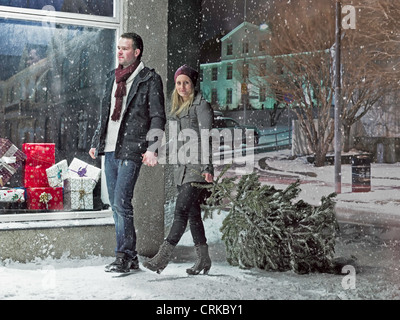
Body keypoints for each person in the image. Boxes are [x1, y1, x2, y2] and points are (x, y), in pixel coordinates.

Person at [89, 32, 166, 273]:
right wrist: (96, 141)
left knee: (122, 202)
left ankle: (123, 255)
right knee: (115, 204)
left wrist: (153, 148)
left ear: (137, 51)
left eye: (125, 48)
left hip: (131, 148)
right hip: (110, 149)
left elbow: (157, 116)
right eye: (118, 48)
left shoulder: (149, 79)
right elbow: (105, 114)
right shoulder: (112, 78)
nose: (120, 52)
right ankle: (129, 256)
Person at [143, 65, 214, 275]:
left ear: (193, 84)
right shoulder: (176, 108)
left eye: (187, 83)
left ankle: (161, 259)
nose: (182, 87)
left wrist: (207, 167)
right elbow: (175, 140)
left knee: (180, 212)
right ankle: (204, 259)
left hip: (196, 169)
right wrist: (156, 152)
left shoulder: (202, 106)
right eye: (179, 83)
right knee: (193, 215)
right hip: (181, 169)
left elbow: (206, 138)